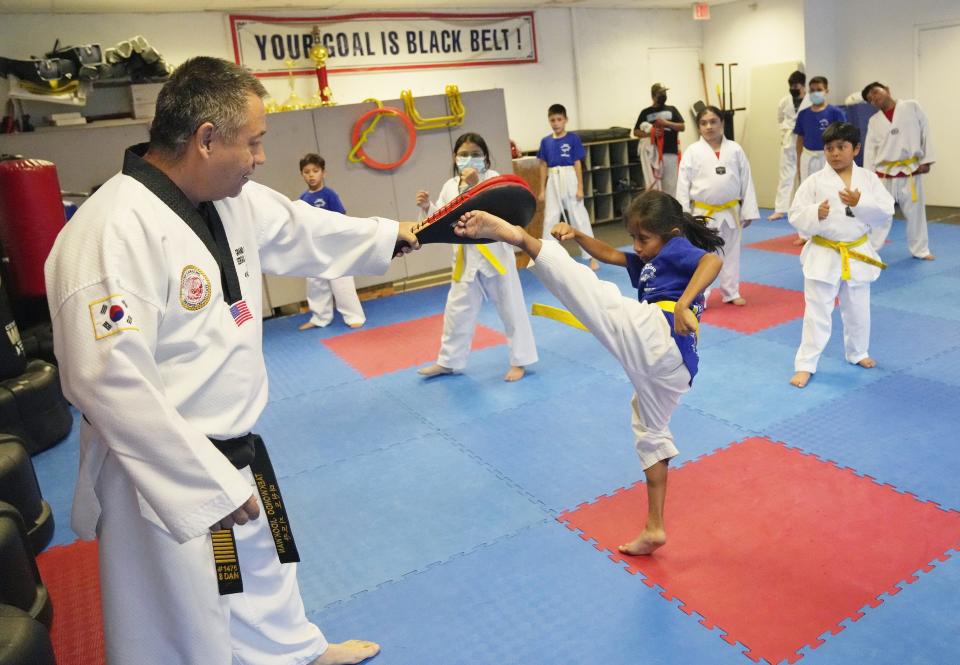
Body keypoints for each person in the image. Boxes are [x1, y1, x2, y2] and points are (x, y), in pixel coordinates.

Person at [43, 56, 418, 665]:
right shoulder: (109, 231)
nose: (261, 157)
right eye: (255, 141)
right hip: (161, 469)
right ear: (206, 139)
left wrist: (396, 233)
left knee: (261, 569)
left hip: (236, 446)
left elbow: (304, 229)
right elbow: (105, 379)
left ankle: (292, 652)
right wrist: (203, 479)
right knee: (185, 615)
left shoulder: (226, 197)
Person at [471, 190, 723, 556]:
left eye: (643, 238)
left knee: (596, 296)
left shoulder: (675, 248)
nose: (637, 246)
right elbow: (610, 254)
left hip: (659, 334)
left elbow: (711, 262)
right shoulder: (652, 256)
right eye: (634, 237)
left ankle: (522, 238)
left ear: (670, 233)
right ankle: (655, 527)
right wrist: (579, 236)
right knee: (650, 433)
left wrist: (684, 303)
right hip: (675, 369)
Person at [415, 132, 538, 382]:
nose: (469, 159)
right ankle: (448, 361)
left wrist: (473, 186)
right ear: (454, 157)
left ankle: (521, 360)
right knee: (456, 311)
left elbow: (501, 215)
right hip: (464, 259)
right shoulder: (450, 185)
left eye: (475, 154)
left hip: (494, 254)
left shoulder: (494, 181)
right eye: (463, 154)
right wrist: (427, 207)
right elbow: (442, 217)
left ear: (485, 157)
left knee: (511, 308)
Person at [787, 122, 894, 389]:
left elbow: (886, 210)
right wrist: (815, 214)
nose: (834, 153)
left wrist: (861, 204)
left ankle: (858, 352)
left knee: (858, 309)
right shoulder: (814, 182)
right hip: (824, 253)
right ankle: (806, 364)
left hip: (856, 251)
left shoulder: (868, 179)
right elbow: (795, 214)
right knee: (817, 312)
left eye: (841, 147)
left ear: (855, 148)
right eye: (829, 148)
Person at [676, 106, 759, 306]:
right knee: (703, 255)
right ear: (698, 127)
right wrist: (683, 215)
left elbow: (746, 180)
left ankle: (731, 292)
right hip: (703, 212)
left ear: (722, 123)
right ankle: (700, 296)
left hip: (731, 211)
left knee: (731, 252)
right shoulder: (692, 152)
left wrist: (748, 210)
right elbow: (682, 184)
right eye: (704, 123)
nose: (709, 127)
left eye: (713, 122)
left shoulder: (735, 149)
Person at [861, 82, 936, 260]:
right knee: (880, 214)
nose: (875, 98)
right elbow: (870, 150)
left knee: (916, 214)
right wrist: (868, 177)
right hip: (884, 174)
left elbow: (926, 131)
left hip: (911, 171)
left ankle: (921, 250)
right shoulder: (874, 121)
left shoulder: (912, 107)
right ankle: (871, 250)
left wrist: (927, 160)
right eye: (870, 99)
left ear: (887, 89)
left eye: (875, 93)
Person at [297, 153, 367, 330]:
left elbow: (341, 218)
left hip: (335, 246)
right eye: (307, 172)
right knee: (315, 283)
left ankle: (354, 316)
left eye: (315, 171)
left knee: (342, 282)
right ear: (302, 175)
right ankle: (320, 317)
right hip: (314, 247)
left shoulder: (330, 195)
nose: (311, 175)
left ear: (324, 173)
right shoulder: (302, 200)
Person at [537, 103, 599, 270]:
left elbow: (578, 164)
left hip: (569, 176)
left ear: (565, 120)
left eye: (559, 119)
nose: (556, 123)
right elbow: (543, 165)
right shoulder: (546, 141)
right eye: (552, 120)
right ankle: (546, 257)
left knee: (579, 216)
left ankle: (592, 255)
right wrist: (542, 189)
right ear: (549, 121)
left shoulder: (573, 139)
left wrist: (580, 187)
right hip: (553, 178)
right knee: (550, 217)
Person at [769, 71, 809, 221]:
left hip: (806, 142)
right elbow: (780, 119)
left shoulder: (811, 101)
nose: (793, 88)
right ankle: (780, 209)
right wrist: (784, 133)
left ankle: (804, 207)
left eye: (796, 86)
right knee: (785, 176)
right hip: (788, 141)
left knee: (805, 175)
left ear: (803, 86)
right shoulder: (784, 101)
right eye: (791, 86)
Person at [634, 83, 685, 197]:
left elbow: (682, 127)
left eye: (664, 92)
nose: (663, 95)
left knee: (671, 185)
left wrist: (667, 123)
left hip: (670, 153)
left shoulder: (672, 110)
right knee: (655, 186)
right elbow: (636, 132)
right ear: (653, 96)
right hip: (652, 155)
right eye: (660, 93)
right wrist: (650, 133)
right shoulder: (645, 112)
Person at [794, 76, 846, 184]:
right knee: (808, 190)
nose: (815, 93)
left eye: (819, 90)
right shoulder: (803, 114)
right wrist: (798, 163)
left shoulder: (836, 113)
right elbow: (800, 140)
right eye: (812, 90)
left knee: (830, 189)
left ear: (826, 91)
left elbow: (844, 139)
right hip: (807, 157)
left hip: (829, 157)